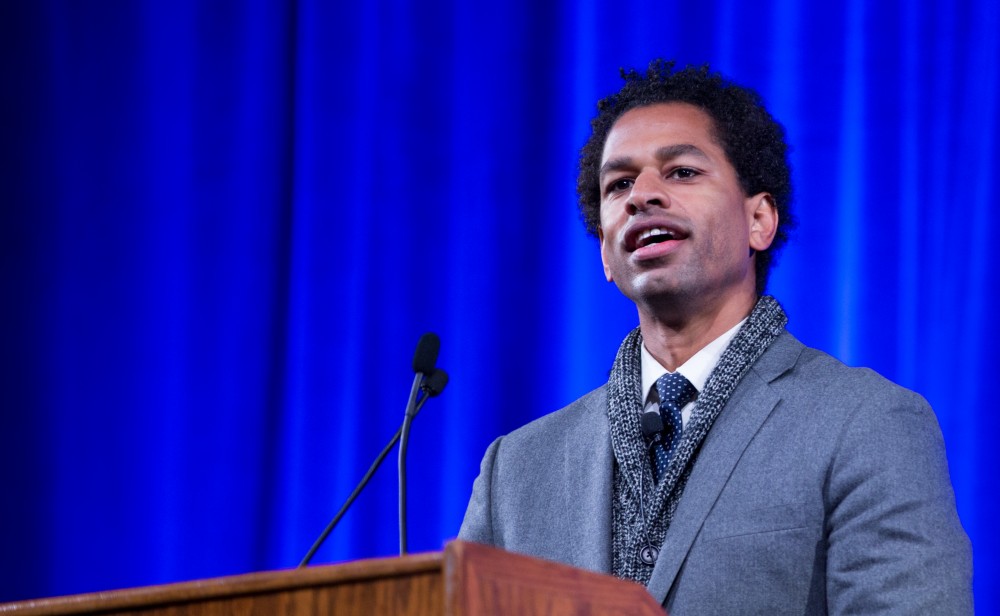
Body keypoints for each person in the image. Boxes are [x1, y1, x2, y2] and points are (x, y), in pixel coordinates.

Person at [458, 60, 973, 614]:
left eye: (681, 172)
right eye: (620, 184)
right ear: (606, 253)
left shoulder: (866, 423)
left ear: (760, 220)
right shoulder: (515, 470)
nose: (641, 196)